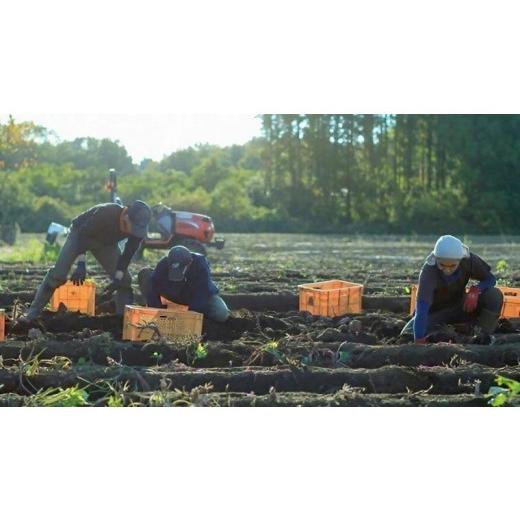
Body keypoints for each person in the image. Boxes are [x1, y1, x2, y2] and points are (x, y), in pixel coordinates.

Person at [20, 200, 152, 322]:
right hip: (80, 235)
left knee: (124, 281)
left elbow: (127, 255)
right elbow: (83, 236)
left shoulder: (138, 233)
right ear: (126, 215)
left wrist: (117, 278)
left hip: (106, 243)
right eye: (133, 227)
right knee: (58, 275)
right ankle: (32, 313)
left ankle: (123, 321)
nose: (134, 232)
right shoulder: (106, 212)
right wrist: (81, 264)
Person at [401, 235, 503, 344]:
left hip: (461, 307)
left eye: (452, 266)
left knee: (494, 295)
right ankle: (450, 333)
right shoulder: (428, 272)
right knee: (408, 334)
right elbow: (422, 308)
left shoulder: (469, 260)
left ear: (460, 260)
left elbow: (490, 279)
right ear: (436, 259)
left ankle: (481, 335)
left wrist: (476, 290)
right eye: (442, 265)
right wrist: (419, 339)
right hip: (436, 313)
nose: (447, 270)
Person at [138, 245, 230, 322]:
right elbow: (153, 286)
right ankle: (169, 308)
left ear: (189, 263)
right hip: (174, 293)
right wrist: (157, 312)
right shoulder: (164, 263)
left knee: (221, 313)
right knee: (145, 274)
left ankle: (205, 322)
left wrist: (188, 315)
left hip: (194, 296)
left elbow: (202, 294)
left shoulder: (200, 265)